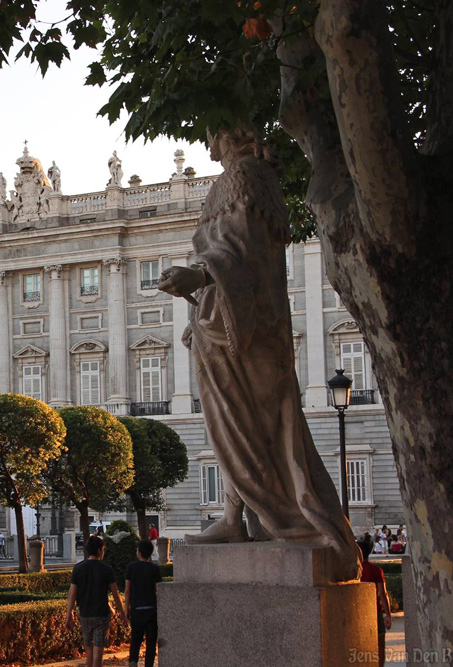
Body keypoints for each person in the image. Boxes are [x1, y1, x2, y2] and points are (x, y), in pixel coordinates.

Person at [157, 127, 359, 582]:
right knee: (237, 428)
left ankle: (278, 518)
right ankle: (234, 519)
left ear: (234, 134)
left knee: (252, 427)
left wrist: (200, 277)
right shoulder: (241, 182)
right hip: (225, 324)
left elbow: (245, 259)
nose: (210, 146)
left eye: (215, 134)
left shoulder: (246, 178)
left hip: (245, 330)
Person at [66, 535, 125, 667]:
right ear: (99, 550)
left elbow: (72, 594)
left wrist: (68, 614)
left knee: (89, 651)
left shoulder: (78, 568)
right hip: (101, 614)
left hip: (85, 613)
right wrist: (122, 613)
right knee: (99, 649)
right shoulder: (107, 569)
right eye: (103, 549)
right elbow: (116, 594)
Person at [124, 540, 162, 667]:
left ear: (139, 552)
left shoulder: (131, 567)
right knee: (151, 642)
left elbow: (127, 590)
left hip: (136, 608)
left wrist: (126, 608)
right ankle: (149, 664)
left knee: (135, 639)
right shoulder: (155, 569)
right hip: (151, 609)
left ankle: (133, 661)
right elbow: (159, 590)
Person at [359, 539, 393, 666]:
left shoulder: (352, 571)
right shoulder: (376, 570)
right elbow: (383, 594)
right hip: (375, 611)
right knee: (380, 646)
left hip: (358, 613)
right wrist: (388, 614)